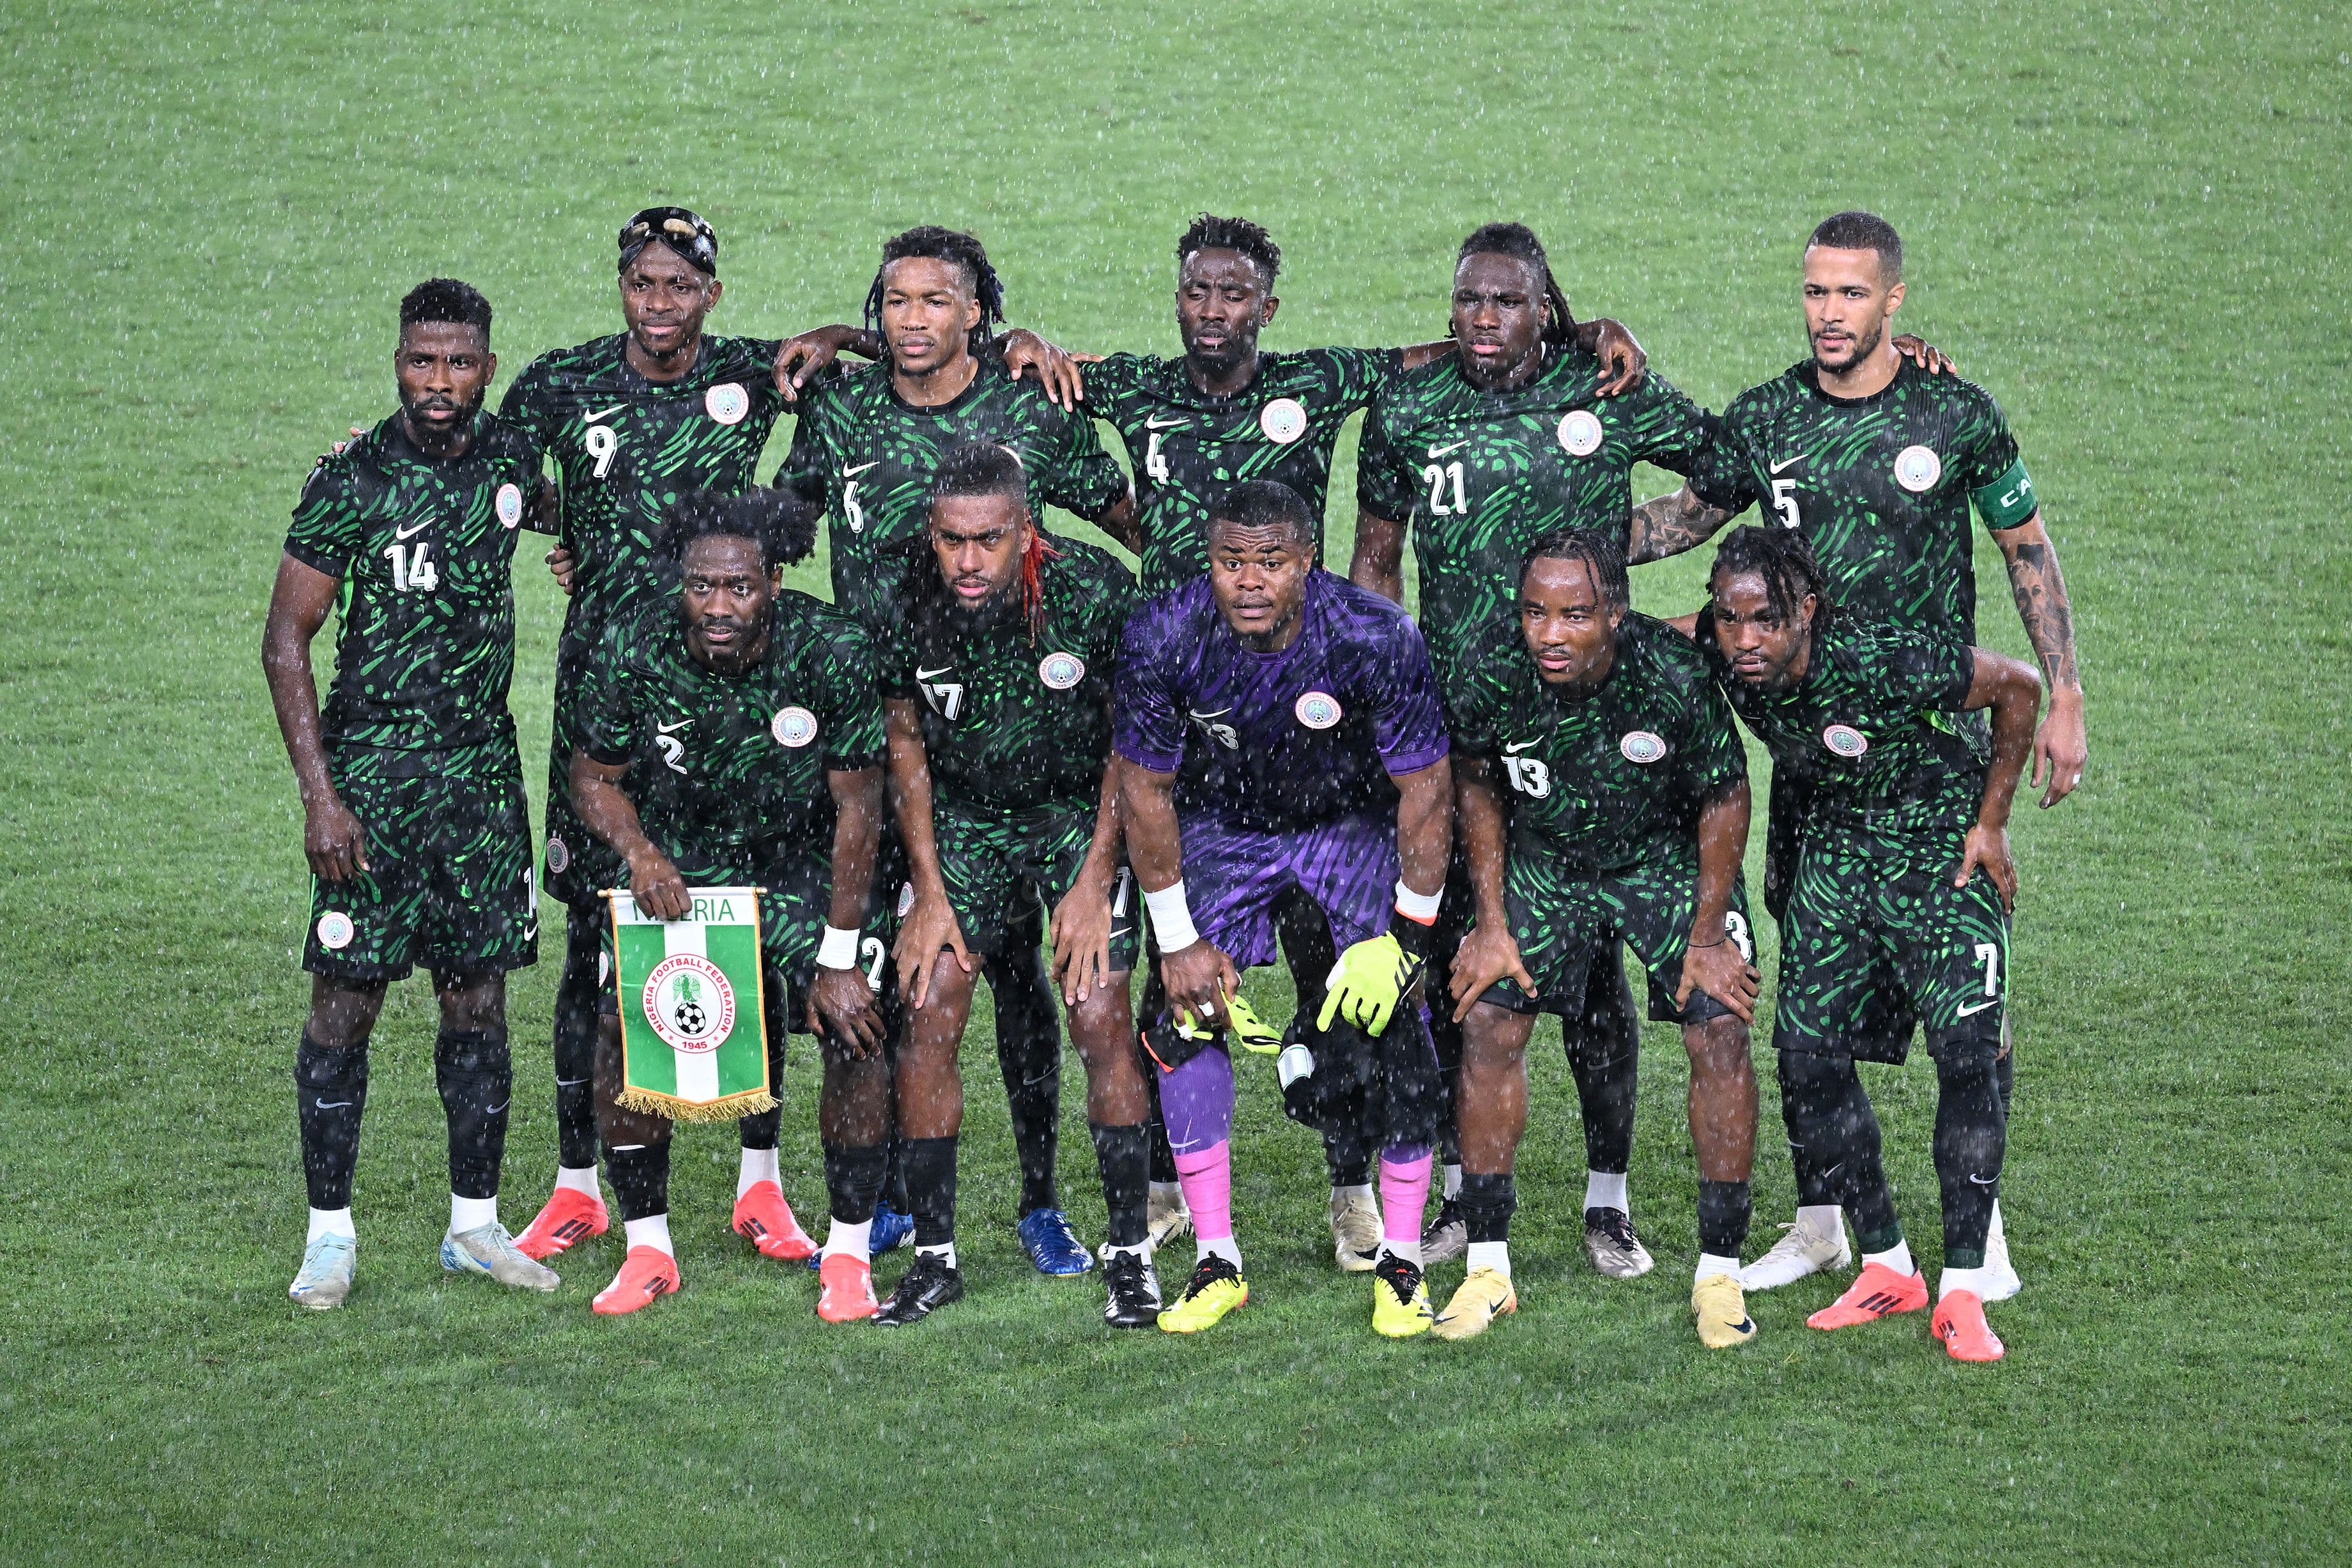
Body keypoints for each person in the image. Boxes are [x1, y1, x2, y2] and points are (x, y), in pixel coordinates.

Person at [1079, 213, 1644, 1269]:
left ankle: (1355, 1180)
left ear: (1267, 307)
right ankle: (1169, 1184)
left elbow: (1449, 350)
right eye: (1198, 290)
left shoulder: (1323, 379)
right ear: (1177, 296)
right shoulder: (1124, 388)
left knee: (1342, 957)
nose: (1214, 310)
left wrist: (1573, 333)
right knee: (1174, 967)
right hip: (1186, 711)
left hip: (1310, 716)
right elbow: (1026, 379)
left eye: (1235, 292)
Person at [1632, 210, 2085, 1298]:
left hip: (1931, 745)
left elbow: (2023, 545)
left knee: (1954, 995)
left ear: (1893, 301)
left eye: (1849, 294)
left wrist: (2064, 689)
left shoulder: (1952, 410)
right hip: (1811, 763)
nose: (1827, 313)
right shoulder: (1773, 416)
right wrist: (1562, 560)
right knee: (1814, 1007)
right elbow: (1685, 520)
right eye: (1813, 293)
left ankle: (1981, 1226)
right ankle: (1826, 1218)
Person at [1350, 222, 1744, 1279]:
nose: (1483, 321)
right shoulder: (1409, 407)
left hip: (1597, 735)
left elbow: (1726, 469)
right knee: (1464, 971)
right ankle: (1459, 1193)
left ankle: (1606, 1199)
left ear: (1544, 307)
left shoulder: (1603, 387)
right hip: (1461, 733)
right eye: (1468, 300)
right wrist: (1379, 694)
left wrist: (1633, 541)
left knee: (1602, 987)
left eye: (1507, 302)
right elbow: (1377, 560)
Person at [772, 226, 1140, 1277]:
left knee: (1034, 983)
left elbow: (1128, 520)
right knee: (903, 971)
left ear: (977, 312)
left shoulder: (1026, 404)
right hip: (890, 739)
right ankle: (891, 1197)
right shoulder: (840, 407)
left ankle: (1038, 1200)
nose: (914, 320)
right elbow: (784, 527)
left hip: (1025, 752)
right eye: (894, 302)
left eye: (938, 301)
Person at [500, 208, 826, 1266]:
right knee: (595, 940)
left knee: (748, 916)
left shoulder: (749, 372)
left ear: (711, 296)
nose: (658, 303)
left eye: (679, 286)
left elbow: (855, 372)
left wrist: (849, 336)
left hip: (729, 696)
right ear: (621, 285)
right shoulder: (562, 382)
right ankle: (575, 1183)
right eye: (642, 282)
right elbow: (490, 475)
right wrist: (580, 533)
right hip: (605, 694)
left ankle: (761, 1184)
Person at [263, 278, 557, 1309]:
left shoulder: (515, 457)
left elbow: (562, 514)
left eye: (460, 362)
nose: (439, 382)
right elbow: (285, 637)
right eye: (421, 360)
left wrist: (568, 543)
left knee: (478, 999)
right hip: (372, 785)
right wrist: (320, 795)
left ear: (488, 363)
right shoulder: (351, 477)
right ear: (397, 358)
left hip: (480, 779)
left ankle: (474, 1224)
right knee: (345, 1003)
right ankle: (329, 1237)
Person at [1687, 527, 2041, 1362]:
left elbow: (2018, 687)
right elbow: (1651, 635)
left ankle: (1962, 1285)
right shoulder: (1725, 641)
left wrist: (1990, 824)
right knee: (1807, 1058)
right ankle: (1885, 1261)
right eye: (1730, 619)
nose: (1744, 640)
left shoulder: (1885, 660)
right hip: (1837, 853)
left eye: (1765, 620)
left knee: (1964, 1055)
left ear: (1806, 610)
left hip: (1935, 854)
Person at [1116, 480, 1454, 1337]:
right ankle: (1218, 1259)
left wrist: (1407, 936)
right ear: (1211, 561)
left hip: (1347, 824)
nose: (1250, 580)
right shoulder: (1163, 633)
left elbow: (1425, 790)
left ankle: (1403, 1262)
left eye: (1270, 561)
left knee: (1399, 1013)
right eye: (1232, 561)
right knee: (1182, 1017)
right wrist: (1178, 939)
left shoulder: (1375, 634)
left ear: (1307, 559)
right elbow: (1145, 791)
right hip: (1223, 825)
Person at [565, 490, 894, 1319]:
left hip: (803, 862)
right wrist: (640, 853)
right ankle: (649, 1245)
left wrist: (838, 955)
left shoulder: (834, 650)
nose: (718, 606)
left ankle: (849, 1253)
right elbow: (592, 778)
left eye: (740, 588)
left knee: (853, 1024)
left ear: (775, 581)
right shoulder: (632, 641)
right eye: (702, 586)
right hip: (683, 861)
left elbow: (860, 806)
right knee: (617, 1022)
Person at [1440, 530, 1763, 1346]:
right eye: (1535, 613)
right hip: (1548, 860)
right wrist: (1490, 924)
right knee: (1487, 1019)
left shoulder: (1675, 675)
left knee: (1718, 1028)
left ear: (1615, 615)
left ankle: (1719, 1275)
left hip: (1660, 860)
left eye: (1574, 615)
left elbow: (1726, 796)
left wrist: (1706, 934)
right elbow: (1476, 781)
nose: (1550, 634)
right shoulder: (1492, 669)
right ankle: (1488, 1267)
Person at [875, 443, 1159, 1327]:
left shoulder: (1094, 592)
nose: (968, 561)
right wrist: (929, 888)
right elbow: (905, 744)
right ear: (931, 533)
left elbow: (1132, 741)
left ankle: (1130, 1253)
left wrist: (1096, 874)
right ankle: (935, 1258)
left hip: (1078, 810)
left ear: (1025, 531)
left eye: (989, 541)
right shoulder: (902, 597)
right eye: (952, 540)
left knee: (1100, 1010)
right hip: (962, 816)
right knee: (927, 1006)